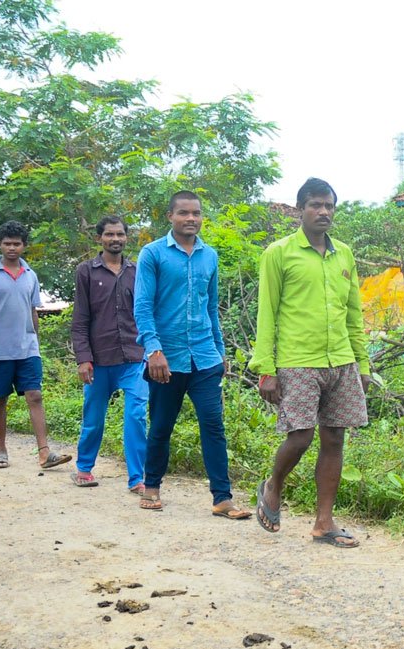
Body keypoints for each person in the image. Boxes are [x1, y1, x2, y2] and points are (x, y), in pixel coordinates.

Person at [250, 178, 371, 548]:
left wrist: (362, 364)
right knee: (300, 437)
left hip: (342, 360)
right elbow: (267, 312)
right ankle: (273, 485)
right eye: (316, 205)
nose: (323, 212)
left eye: (329, 206)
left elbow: (353, 313)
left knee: (335, 438)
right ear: (300, 209)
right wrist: (266, 369)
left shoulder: (344, 255)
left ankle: (324, 522)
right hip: (298, 361)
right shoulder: (279, 253)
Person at [133, 190, 249, 519]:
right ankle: (152, 485)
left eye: (196, 213)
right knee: (161, 426)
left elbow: (210, 307)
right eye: (183, 213)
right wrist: (153, 349)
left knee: (213, 425)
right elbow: (142, 307)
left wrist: (220, 349)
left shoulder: (209, 256)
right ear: (170, 216)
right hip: (165, 360)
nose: (191, 219)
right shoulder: (153, 254)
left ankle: (222, 497)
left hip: (205, 357)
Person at [0, 220, 72, 471]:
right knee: (0, 398)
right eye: (7, 243)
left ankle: (45, 452)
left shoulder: (30, 275)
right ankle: (1, 450)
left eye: (16, 244)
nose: (12, 248)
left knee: (35, 395)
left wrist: (35, 339)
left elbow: (32, 309)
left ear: (24, 246)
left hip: (27, 347)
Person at [70, 215, 148, 491]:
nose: (115, 239)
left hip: (134, 357)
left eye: (120, 234)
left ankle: (137, 478)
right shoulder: (86, 271)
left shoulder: (138, 271)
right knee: (93, 418)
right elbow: (80, 319)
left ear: (127, 238)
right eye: (109, 235)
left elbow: (148, 312)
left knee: (137, 415)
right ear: (99, 238)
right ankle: (84, 468)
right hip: (99, 359)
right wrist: (83, 359)